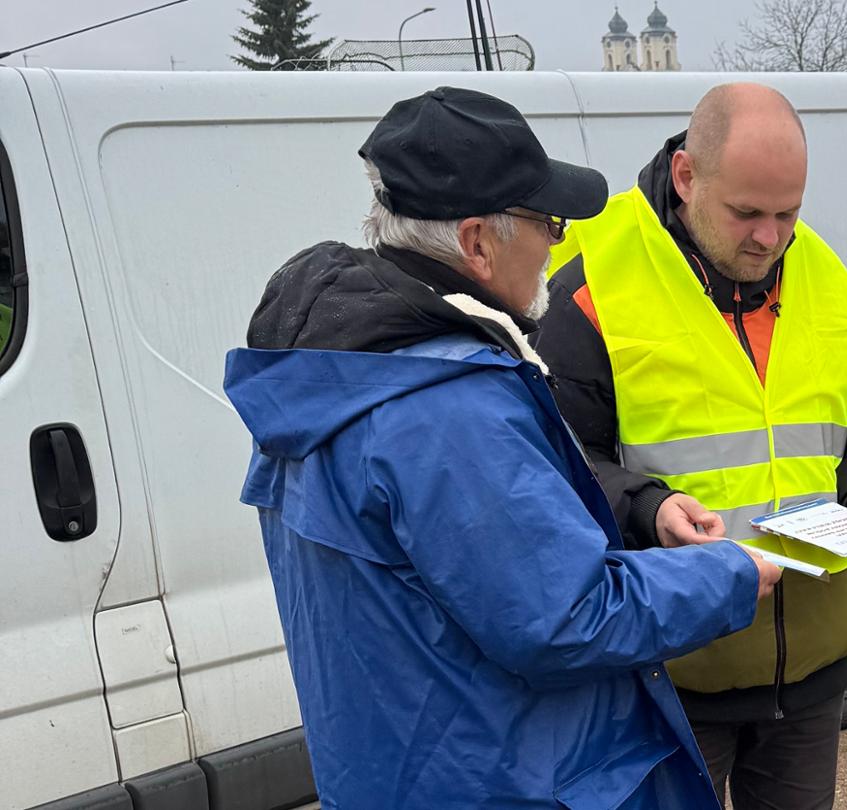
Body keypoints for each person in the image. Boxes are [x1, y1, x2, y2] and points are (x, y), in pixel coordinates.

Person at [222, 87, 779, 807]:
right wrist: (731, 573)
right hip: (501, 781)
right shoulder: (445, 409)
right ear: (478, 242)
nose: (558, 240)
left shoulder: (334, 370)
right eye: (546, 221)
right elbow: (564, 617)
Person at [536, 82, 847, 810]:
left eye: (787, 214)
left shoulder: (826, 278)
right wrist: (649, 506)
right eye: (747, 214)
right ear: (685, 177)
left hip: (811, 671)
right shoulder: (595, 284)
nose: (770, 238)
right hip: (669, 676)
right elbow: (557, 463)